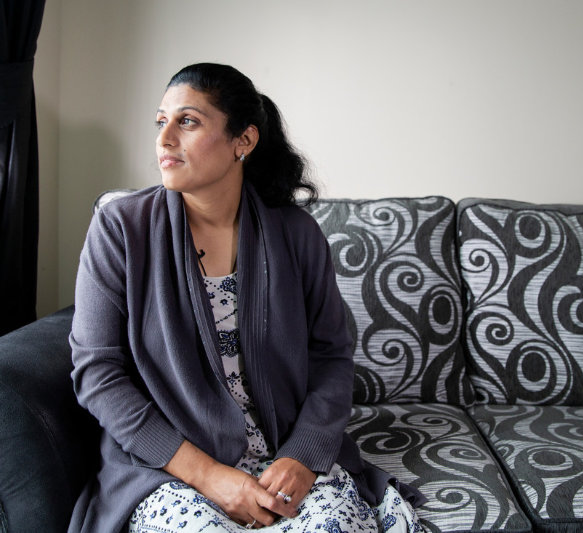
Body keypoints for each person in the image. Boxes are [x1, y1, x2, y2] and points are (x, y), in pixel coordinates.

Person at [69, 63, 424, 533]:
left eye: (188, 121)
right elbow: (97, 372)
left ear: (245, 141)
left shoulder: (297, 235)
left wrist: (302, 455)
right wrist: (211, 477)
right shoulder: (120, 229)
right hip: (170, 469)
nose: (165, 138)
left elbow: (331, 357)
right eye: (161, 122)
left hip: (286, 460)